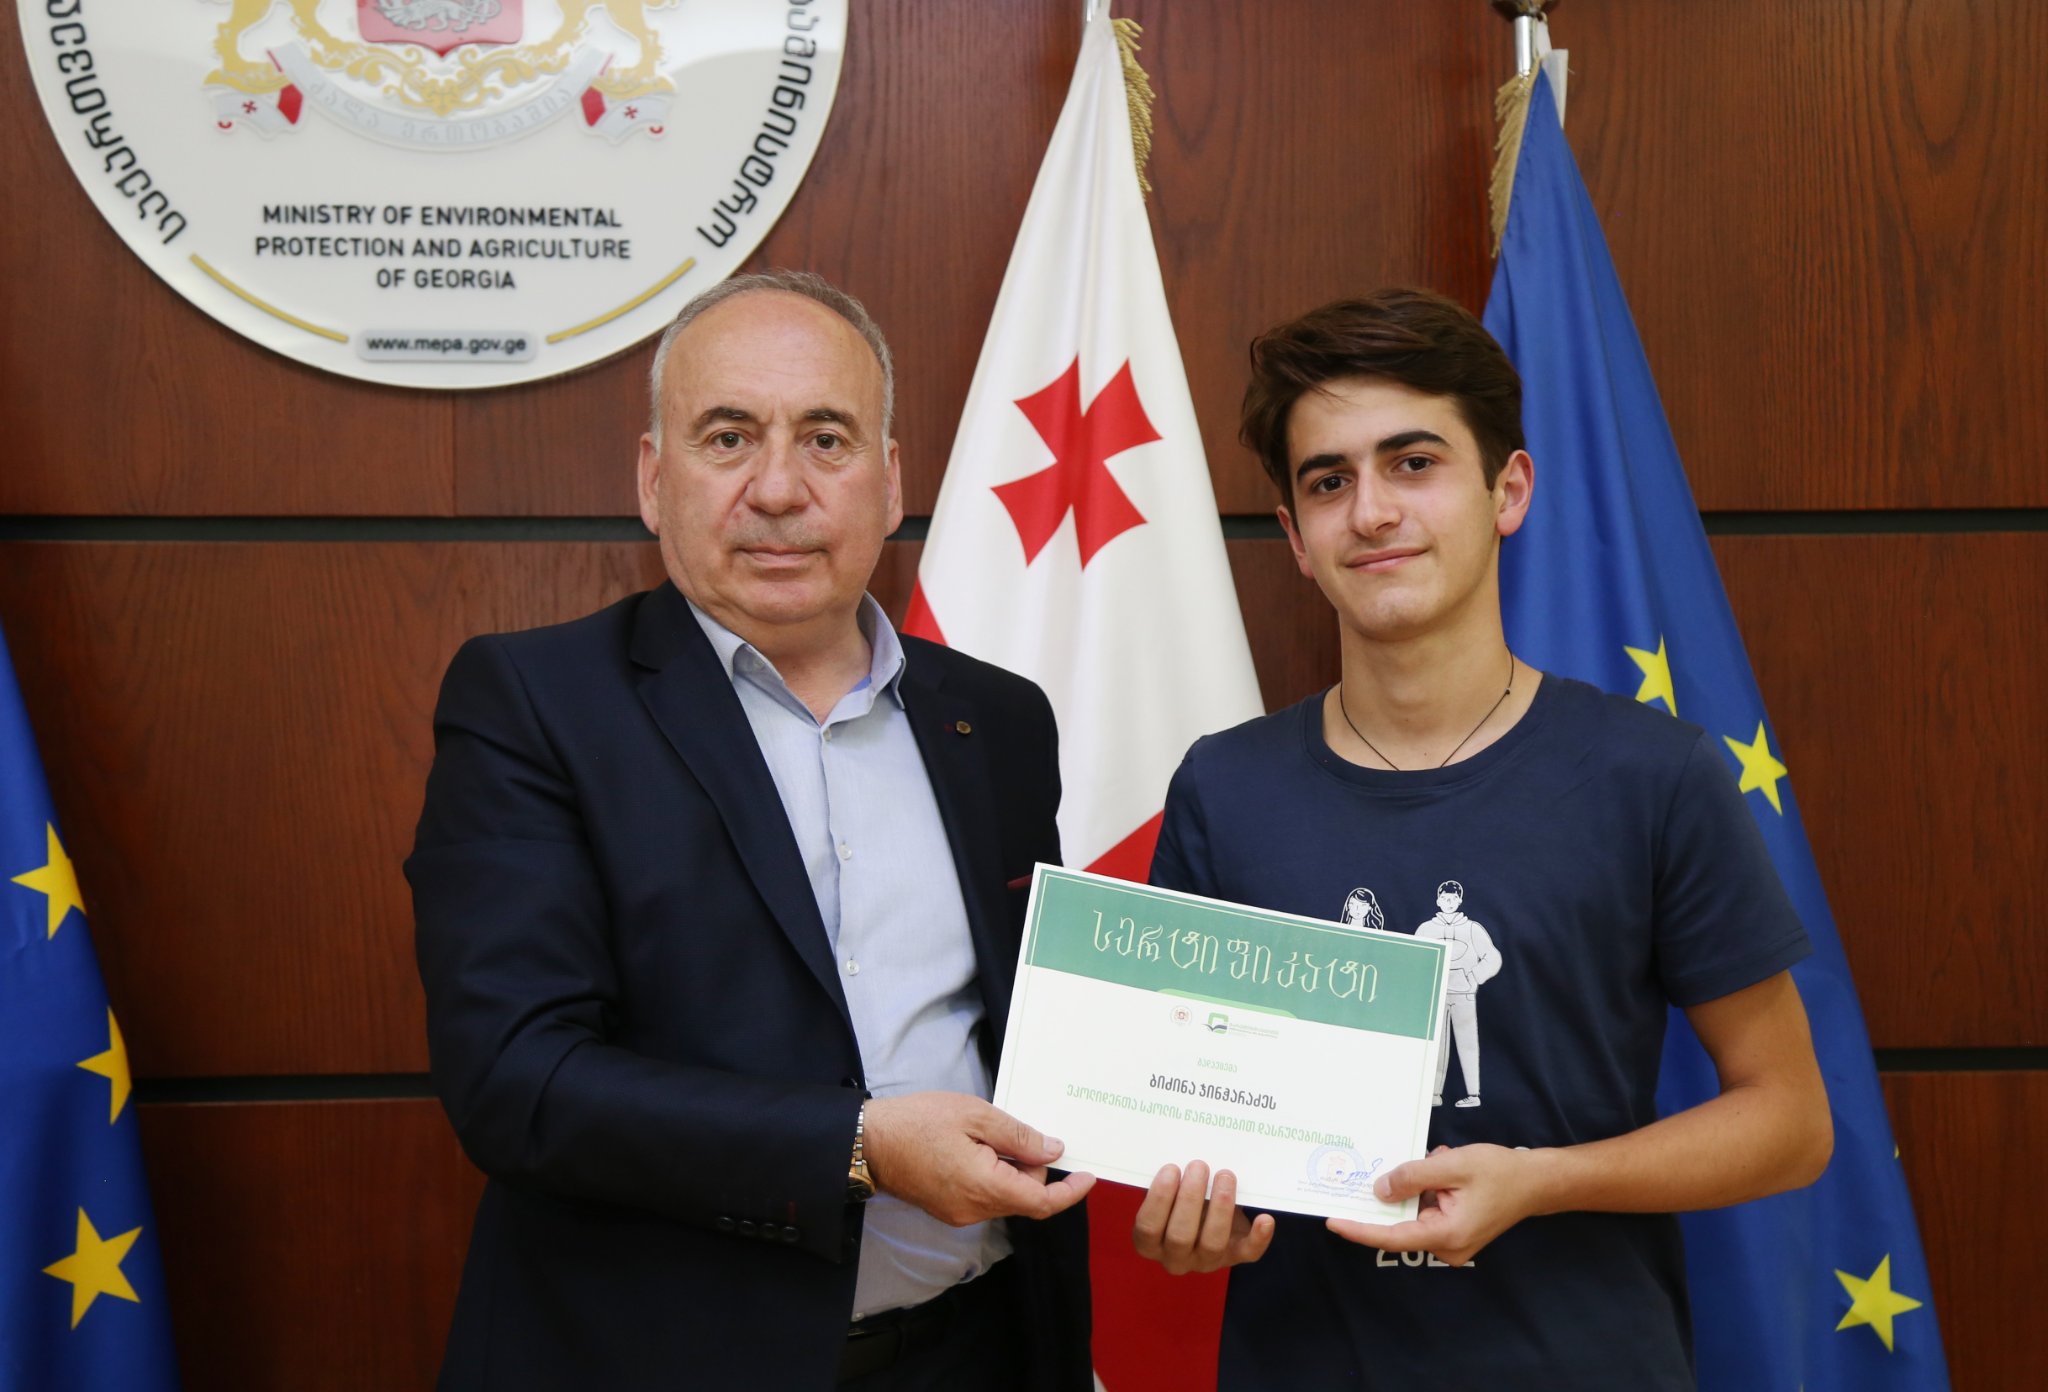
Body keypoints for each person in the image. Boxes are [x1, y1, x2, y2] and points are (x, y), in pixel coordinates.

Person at [1128, 289, 1831, 1388]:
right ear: (1296, 538)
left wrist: (1542, 1181)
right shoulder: (1225, 788)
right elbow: (1183, 1108)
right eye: (1328, 481)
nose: (1371, 512)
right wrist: (1190, 1210)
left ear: (1507, 490)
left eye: (1413, 463)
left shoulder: (1652, 776)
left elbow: (1789, 1121)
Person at [407, 271, 1094, 1392]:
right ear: (653, 478)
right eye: (728, 438)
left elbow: (1043, 1039)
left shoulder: (997, 720)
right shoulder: (535, 705)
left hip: (977, 1352)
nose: (778, 489)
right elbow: (517, 1082)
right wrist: (860, 1147)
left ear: (889, 481)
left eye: (826, 439)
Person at [1415, 879, 1499, 1107]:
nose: (1449, 902)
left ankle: (1473, 1094)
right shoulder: (1426, 929)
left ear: (1460, 900)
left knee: (1468, 1042)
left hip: (1464, 994)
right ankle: (1433, 1094)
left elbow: (1492, 957)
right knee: (1435, 1044)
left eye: (1453, 898)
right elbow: (1415, 957)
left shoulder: (1472, 929)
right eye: (1444, 898)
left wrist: (1473, 977)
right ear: (1438, 900)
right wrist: (1426, 982)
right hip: (1435, 995)